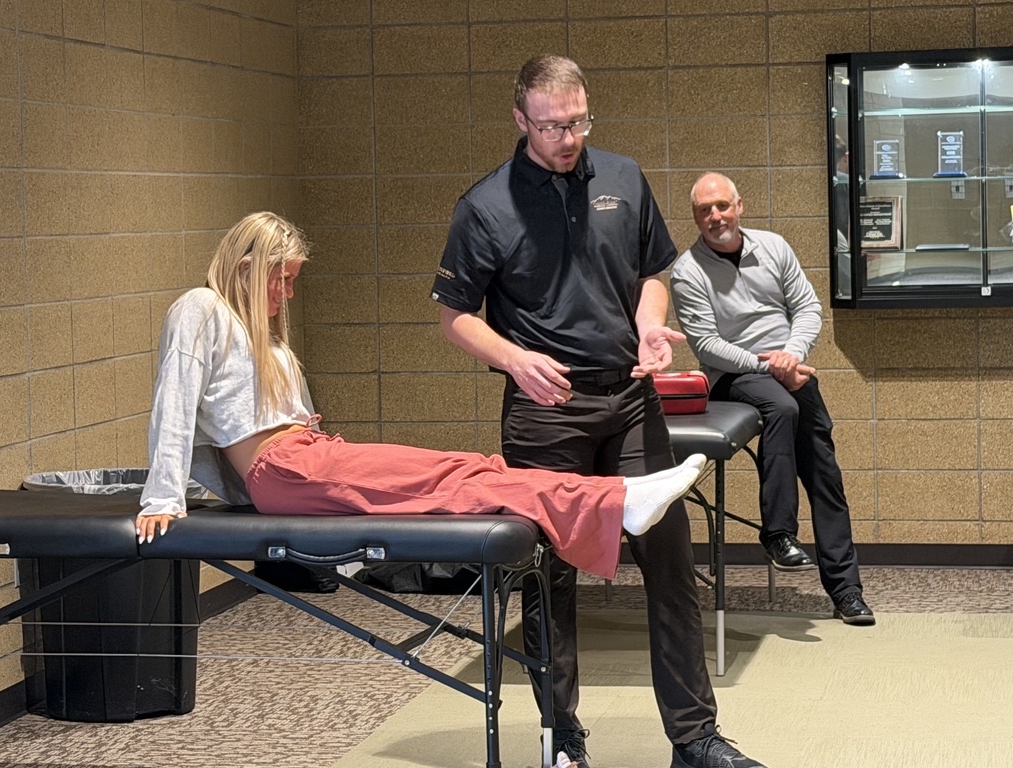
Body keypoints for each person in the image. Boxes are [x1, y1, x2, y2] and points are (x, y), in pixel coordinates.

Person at [432, 55, 767, 768]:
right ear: (521, 119)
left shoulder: (623, 176)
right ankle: (562, 737)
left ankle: (695, 739)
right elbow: (454, 317)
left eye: (579, 122)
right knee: (549, 579)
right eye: (552, 126)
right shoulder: (485, 205)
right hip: (545, 410)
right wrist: (513, 359)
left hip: (630, 400)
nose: (568, 138)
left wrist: (650, 325)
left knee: (670, 561)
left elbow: (652, 273)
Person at [136, 211, 708, 591]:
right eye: (280, 280)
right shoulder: (200, 308)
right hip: (284, 469)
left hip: (305, 456)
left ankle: (616, 501)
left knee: (470, 469)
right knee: (449, 482)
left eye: (291, 281)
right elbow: (174, 401)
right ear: (245, 269)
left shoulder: (264, 334)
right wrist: (162, 497)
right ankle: (617, 501)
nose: (286, 294)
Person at [670, 172, 874, 627]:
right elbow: (707, 345)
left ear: (739, 206)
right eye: (705, 210)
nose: (715, 216)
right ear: (696, 217)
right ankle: (778, 533)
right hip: (733, 374)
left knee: (825, 476)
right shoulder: (687, 271)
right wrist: (770, 367)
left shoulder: (774, 247)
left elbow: (807, 308)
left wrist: (791, 356)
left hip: (790, 368)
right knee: (781, 406)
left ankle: (847, 592)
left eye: (722, 205)